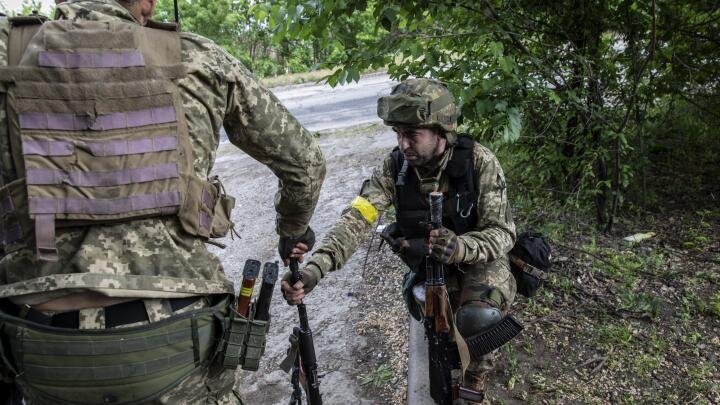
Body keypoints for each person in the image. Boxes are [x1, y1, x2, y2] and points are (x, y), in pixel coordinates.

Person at [0, 0, 325, 403]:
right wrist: (291, 229)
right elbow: (306, 165)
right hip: (177, 336)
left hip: (39, 343)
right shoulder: (198, 58)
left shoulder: (7, 55)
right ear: (146, 5)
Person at [282, 78, 517, 403]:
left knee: (476, 318)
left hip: (481, 259)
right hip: (431, 262)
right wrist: (314, 270)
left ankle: (474, 379)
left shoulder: (479, 162)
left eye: (412, 135)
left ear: (441, 131)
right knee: (440, 332)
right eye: (398, 134)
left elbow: (502, 233)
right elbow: (357, 219)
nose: (403, 144)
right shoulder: (395, 168)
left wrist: (462, 247)